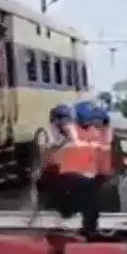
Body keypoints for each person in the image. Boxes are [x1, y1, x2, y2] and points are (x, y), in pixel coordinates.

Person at [53, 101, 102, 240]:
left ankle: (68, 214)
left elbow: (58, 129)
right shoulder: (95, 133)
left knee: (71, 202)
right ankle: (89, 231)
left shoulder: (70, 129)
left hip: (70, 178)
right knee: (91, 207)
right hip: (85, 178)